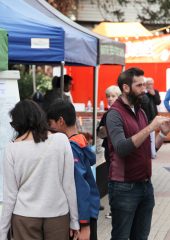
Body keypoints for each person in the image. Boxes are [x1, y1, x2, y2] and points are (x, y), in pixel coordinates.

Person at [0, 99, 79, 240]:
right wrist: (74, 221)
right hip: (58, 215)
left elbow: (10, 195)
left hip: (24, 217)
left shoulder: (11, 149)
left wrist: (2, 231)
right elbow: (69, 185)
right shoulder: (61, 140)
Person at [106, 67, 170, 240]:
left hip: (145, 186)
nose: (144, 89)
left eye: (145, 85)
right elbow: (122, 148)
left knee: (141, 237)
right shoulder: (114, 114)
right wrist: (150, 127)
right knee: (121, 237)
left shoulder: (140, 111)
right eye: (139, 85)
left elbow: (149, 151)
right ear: (126, 88)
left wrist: (163, 134)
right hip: (124, 188)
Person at [47, 99, 100, 240]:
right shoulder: (81, 141)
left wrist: (84, 225)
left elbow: (80, 187)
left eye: (50, 124)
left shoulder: (71, 149)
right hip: (89, 213)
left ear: (60, 121)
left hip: (84, 218)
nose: (49, 129)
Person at [97, 85, 121, 219]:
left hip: (121, 152)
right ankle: (114, 209)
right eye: (108, 96)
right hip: (110, 152)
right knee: (112, 181)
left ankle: (120, 209)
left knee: (119, 181)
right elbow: (100, 133)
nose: (110, 99)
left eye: (113, 96)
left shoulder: (125, 113)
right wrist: (102, 131)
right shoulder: (107, 115)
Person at [141, 77, 161, 159]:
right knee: (145, 135)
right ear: (145, 84)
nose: (150, 85)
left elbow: (158, 102)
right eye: (149, 84)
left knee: (152, 136)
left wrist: (154, 94)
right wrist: (146, 93)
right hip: (144, 116)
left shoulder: (155, 92)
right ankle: (146, 152)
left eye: (152, 84)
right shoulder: (142, 93)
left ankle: (152, 153)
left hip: (153, 117)